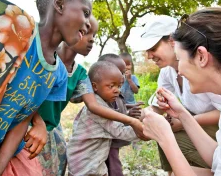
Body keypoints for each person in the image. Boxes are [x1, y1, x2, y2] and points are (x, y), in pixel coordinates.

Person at [0, 0, 92, 175]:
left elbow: (22, 121)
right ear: (59, 5)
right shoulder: (12, 27)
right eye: (85, 12)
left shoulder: (58, 74)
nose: (89, 23)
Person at [143, 7, 221, 176]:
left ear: (201, 56)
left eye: (180, 60)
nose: (179, 71)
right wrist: (182, 114)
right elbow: (219, 159)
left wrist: (165, 138)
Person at [34, 17, 147, 175]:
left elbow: (94, 104)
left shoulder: (80, 74)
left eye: (94, 34)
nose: (92, 39)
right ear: (65, 29)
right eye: (85, 32)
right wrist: (133, 120)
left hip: (53, 127)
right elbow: (94, 107)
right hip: (30, 124)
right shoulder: (44, 60)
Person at [135, 15, 221, 175]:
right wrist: (133, 118)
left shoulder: (201, 67)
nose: (149, 56)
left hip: (219, 129)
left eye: (153, 49)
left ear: (171, 41)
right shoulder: (167, 72)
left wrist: (184, 121)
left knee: (169, 136)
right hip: (196, 124)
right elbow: (156, 107)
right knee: (165, 131)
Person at [67, 61, 140, 176]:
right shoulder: (98, 108)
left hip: (90, 163)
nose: (117, 90)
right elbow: (120, 132)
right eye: (111, 86)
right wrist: (150, 129)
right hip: (85, 167)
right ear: (95, 86)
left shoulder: (101, 102)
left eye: (119, 86)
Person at [98, 54, 143, 176]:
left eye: (123, 73)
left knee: (111, 162)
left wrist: (129, 107)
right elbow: (111, 115)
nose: (122, 77)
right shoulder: (104, 97)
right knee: (113, 166)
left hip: (112, 138)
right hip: (107, 140)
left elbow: (119, 107)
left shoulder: (115, 91)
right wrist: (128, 115)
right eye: (119, 72)